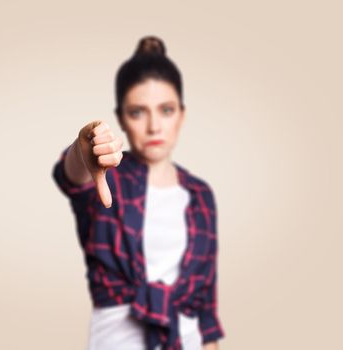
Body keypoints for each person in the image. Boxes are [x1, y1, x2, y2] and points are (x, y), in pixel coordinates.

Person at [52, 35, 225, 350]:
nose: (154, 126)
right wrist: (84, 148)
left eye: (166, 110)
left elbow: (205, 312)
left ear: (182, 115)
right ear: (121, 118)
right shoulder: (108, 178)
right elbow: (71, 176)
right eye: (137, 112)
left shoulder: (201, 196)